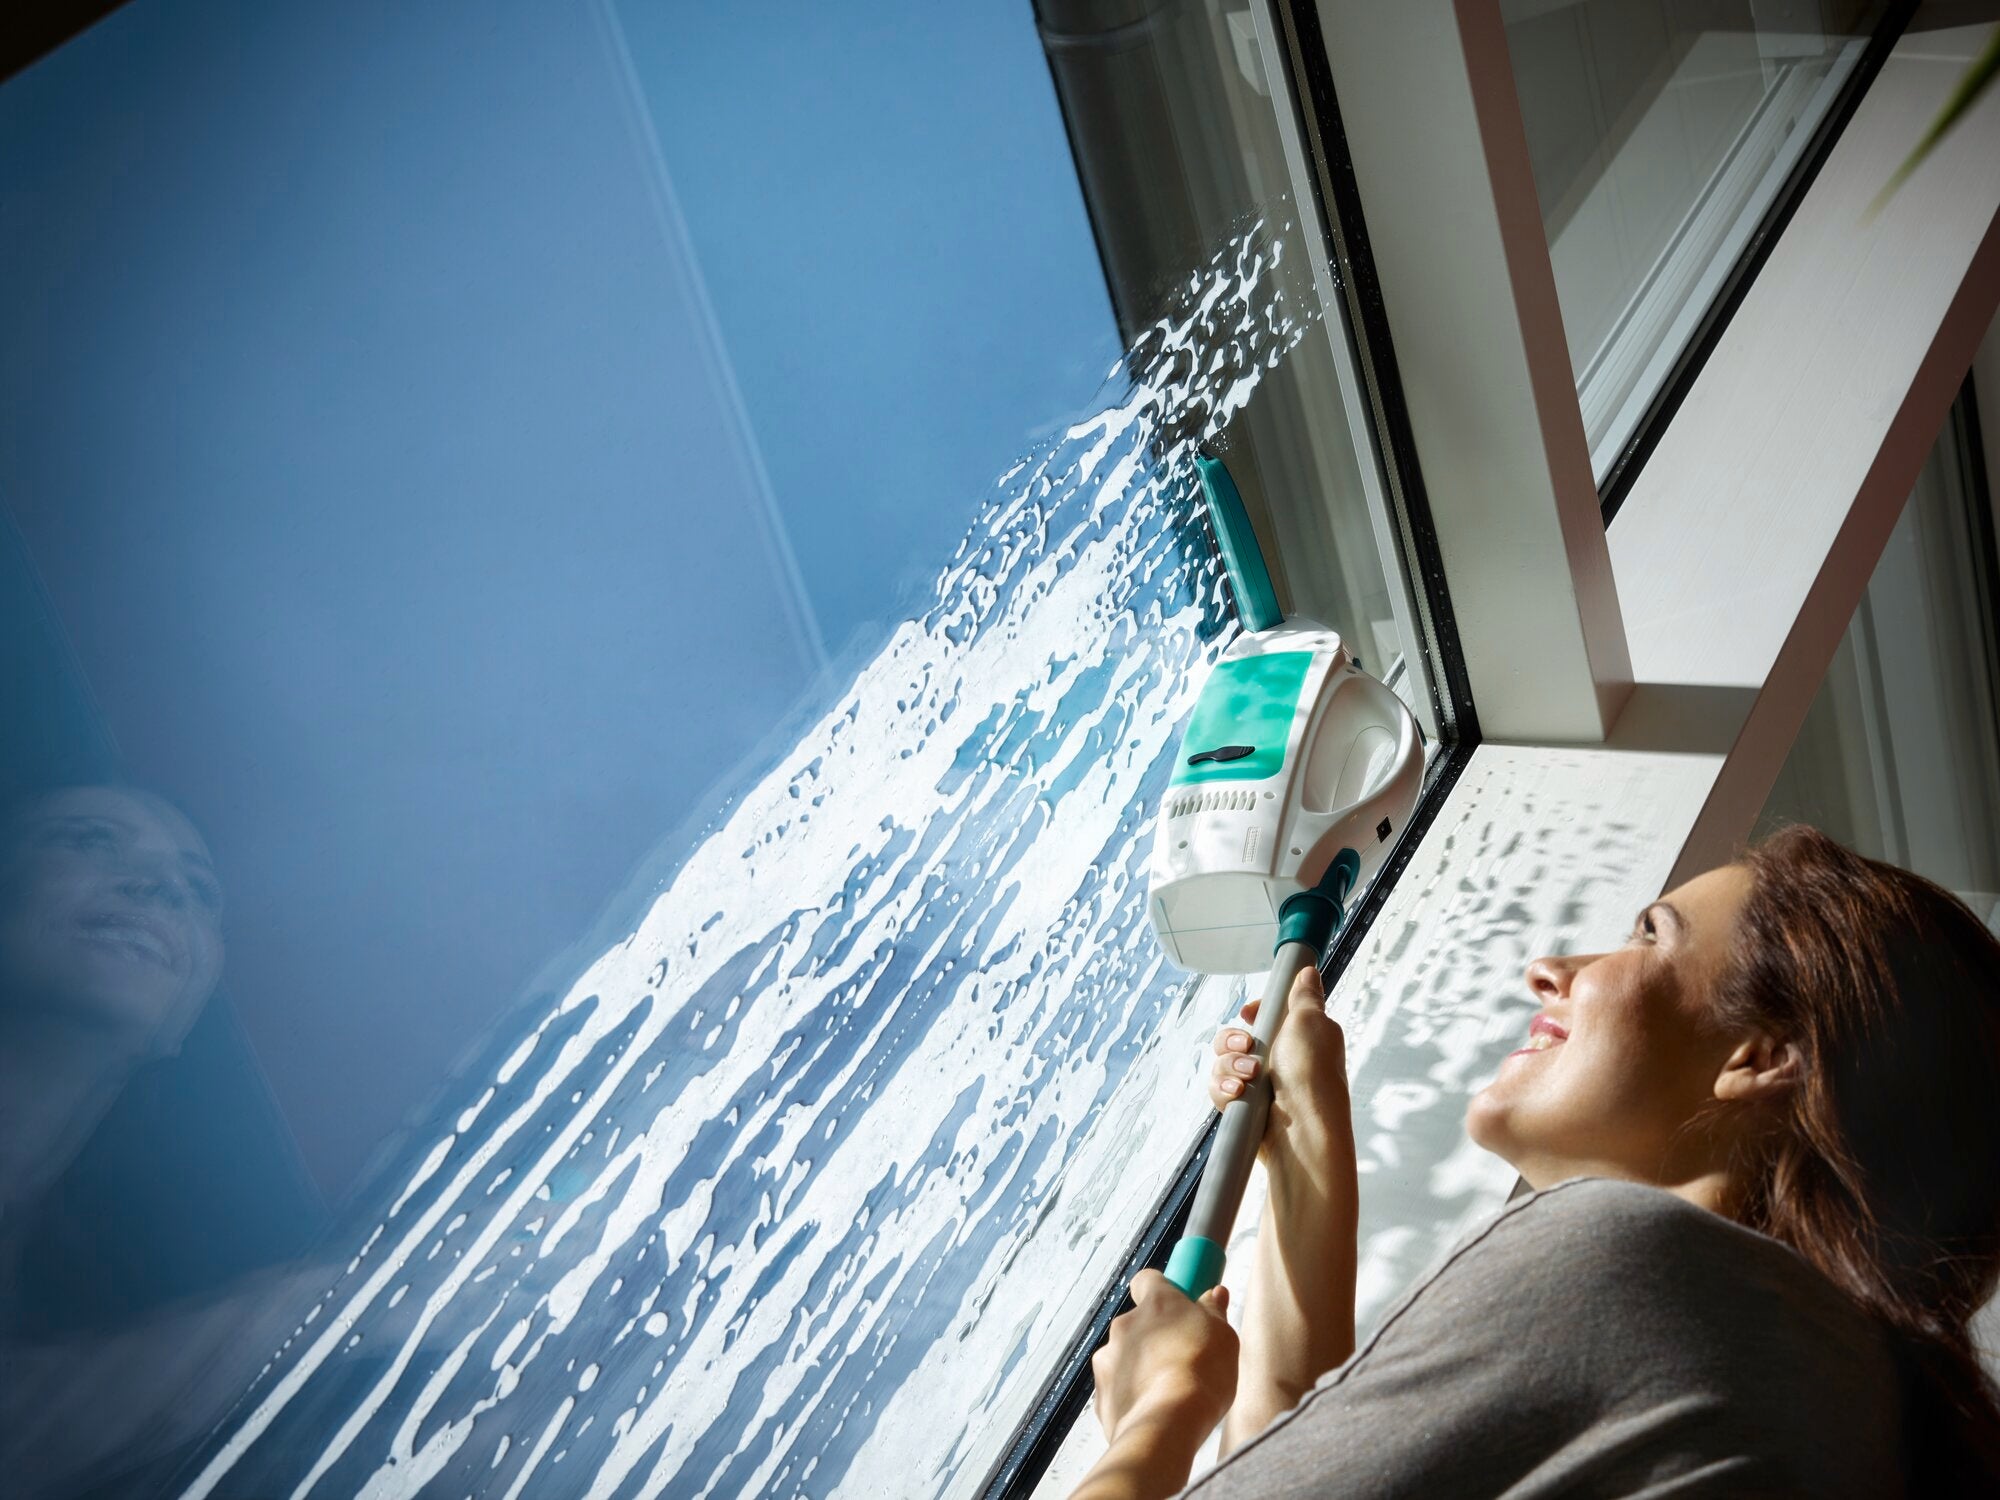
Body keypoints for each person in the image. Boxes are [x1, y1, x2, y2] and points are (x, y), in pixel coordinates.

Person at [1072, 825, 2000, 1498]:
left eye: (1649, 935)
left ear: (1759, 1057)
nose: (1554, 968)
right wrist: (1307, 1141)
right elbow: (1283, 1465)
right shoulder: (1828, 1391)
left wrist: (1159, 1415)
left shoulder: (1632, 1266)